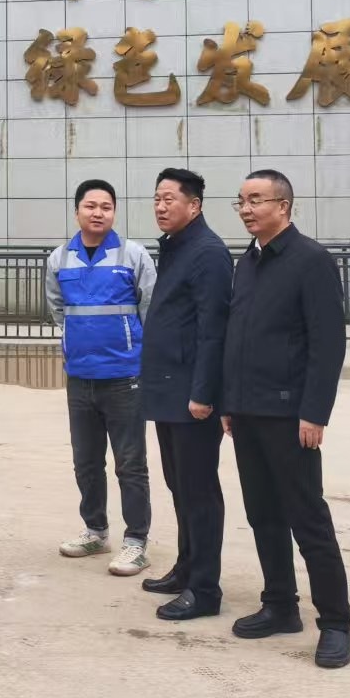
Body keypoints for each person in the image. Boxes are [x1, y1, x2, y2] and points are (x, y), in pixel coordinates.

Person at [220, 169, 350, 669]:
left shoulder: (311, 260)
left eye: (256, 200)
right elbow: (238, 335)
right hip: (247, 411)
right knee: (263, 514)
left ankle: (336, 622)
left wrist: (314, 412)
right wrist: (229, 401)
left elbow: (328, 343)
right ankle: (279, 604)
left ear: (284, 205)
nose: (246, 209)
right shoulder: (248, 262)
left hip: (288, 414)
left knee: (307, 517)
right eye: (241, 201)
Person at [44, 179, 158, 577]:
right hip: (80, 376)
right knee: (86, 462)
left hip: (124, 376)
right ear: (77, 210)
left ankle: (136, 542)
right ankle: (95, 531)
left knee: (130, 463)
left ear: (114, 212)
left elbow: (149, 306)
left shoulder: (133, 254)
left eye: (106, 207)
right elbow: (58, 309)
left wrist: (133, 348)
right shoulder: (60, 258)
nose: (98, 213)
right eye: (90, 206)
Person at [138, 168, 235, 622]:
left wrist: (204, 393)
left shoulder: (208, 253)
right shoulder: (177, 247)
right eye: (157, 198)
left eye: (169, 199)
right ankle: (186, 567)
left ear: (194, 205)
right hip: (167, 391)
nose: (161, 206)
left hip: (192, 397)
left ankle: (205, 589)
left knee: (199, 492)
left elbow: (213, 330)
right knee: (179, 486)